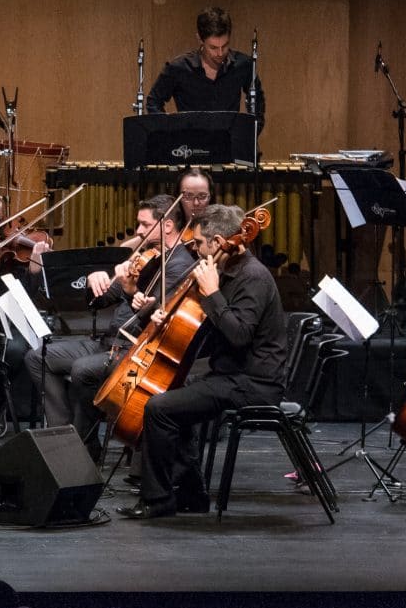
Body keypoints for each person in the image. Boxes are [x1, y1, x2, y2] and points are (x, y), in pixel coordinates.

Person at [121, 205, 290, 519]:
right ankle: (191, 495)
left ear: (217, 241)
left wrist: (212, 292)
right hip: (230, 374)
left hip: (253, 383)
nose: (193, 249)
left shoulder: (252, 277)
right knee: (172, 394)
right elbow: (209, 332)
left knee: (158, 408)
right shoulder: (226, 270)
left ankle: (158, 500)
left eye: (198, 243)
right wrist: (163, 318)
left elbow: (239, 336)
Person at [24, 197, 198, 463]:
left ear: (168, 225)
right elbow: (102, 299)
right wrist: (96, 280)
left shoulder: (178, 266)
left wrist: (131, 292)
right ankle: (64, 437)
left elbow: (154, 321)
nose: (138, 231)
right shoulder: (144, 255)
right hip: (108, 341)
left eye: (144, 224)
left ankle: (85, 447)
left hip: (135, 350)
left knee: (83, 369)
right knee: (38, 357)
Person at [147, 7, 265, 139]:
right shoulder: (179, 68)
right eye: (213, 47)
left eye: (225, 46)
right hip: (190, 149)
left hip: (229, 148)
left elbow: (258, 101)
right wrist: (169, 134)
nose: (220, 53)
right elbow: (153, 101)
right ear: (200, 39)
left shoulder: (243, 65)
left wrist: (248, 136)